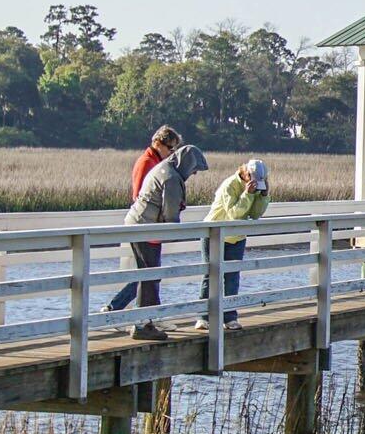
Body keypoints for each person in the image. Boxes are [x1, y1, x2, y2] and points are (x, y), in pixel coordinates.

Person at [109, 141, 205, 334]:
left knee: (148, 275)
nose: (194, 173)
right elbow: (171, 215)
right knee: (149, 276)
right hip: (145, 228)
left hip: (138, 224)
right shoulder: (171, 178)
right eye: (194, 169)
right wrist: (179, 231)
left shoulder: (164, 168)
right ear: (187, 164)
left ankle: (146, 320)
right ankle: (142, 325)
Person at [205, 159, 271, 325]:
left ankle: (230, 318)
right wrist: (247, 194)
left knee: (232, 278)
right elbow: (234, 214)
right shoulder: (230, 185)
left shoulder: (256, 186)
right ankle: (203, 317)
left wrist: (263, 196)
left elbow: (255, 214)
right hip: (215, 236)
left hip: (237, 238)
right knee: (211, 277)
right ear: (247, 174)